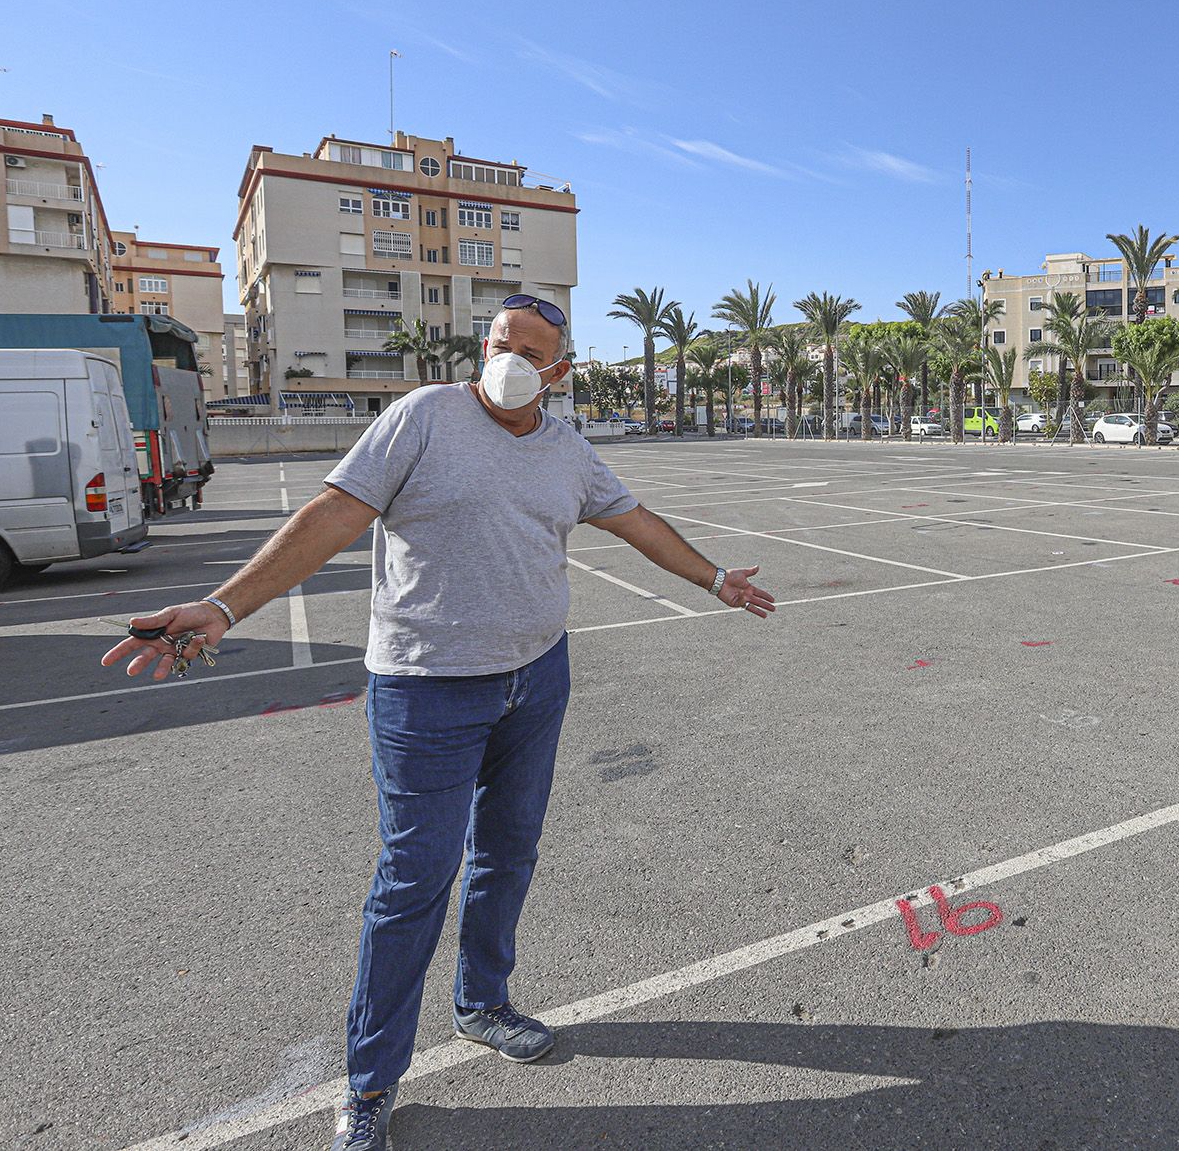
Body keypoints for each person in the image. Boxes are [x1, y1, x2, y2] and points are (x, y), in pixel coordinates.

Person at [100, 293, 775, 1150]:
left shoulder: (568, 448)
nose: (511, 357)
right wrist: (226, 607)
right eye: (501, 341)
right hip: (427, 691)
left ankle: (483, 1002)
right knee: (413, 880)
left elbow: (636, 522)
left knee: (509, 852)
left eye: (532, 349)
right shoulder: (421, 418)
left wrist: (716, 581)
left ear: (560, 371)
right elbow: (333, 515)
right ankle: (371, 1082)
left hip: (536, 680)